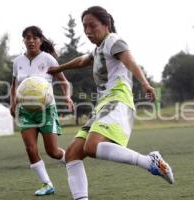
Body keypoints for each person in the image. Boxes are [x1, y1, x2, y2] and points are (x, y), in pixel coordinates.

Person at [48, 6, 174, 200]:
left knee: (91, 147)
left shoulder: (113, 40)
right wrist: (58, 68)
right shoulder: (99, 48)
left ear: (106, 24)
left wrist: (146, 84)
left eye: (92, 26)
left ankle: (150, 162)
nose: (88, 31)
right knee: (72, 155)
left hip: (117, 100)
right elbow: (83, 60)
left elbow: (130, 61)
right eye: (85, 27)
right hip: (103, 104)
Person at [10, 26, 73, 196]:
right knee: (30, 149)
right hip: (25, 111)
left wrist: (67, 97)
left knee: (52, 151)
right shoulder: (17, 62)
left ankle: (73, 162)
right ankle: (47, 184)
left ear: (40, 40)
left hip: (46, 109)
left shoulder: (49, 60)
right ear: (23, 41)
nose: (30, 40)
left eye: (34, 37)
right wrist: (12, 103)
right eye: (27, 38)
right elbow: (14, 86)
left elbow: (64, 82)